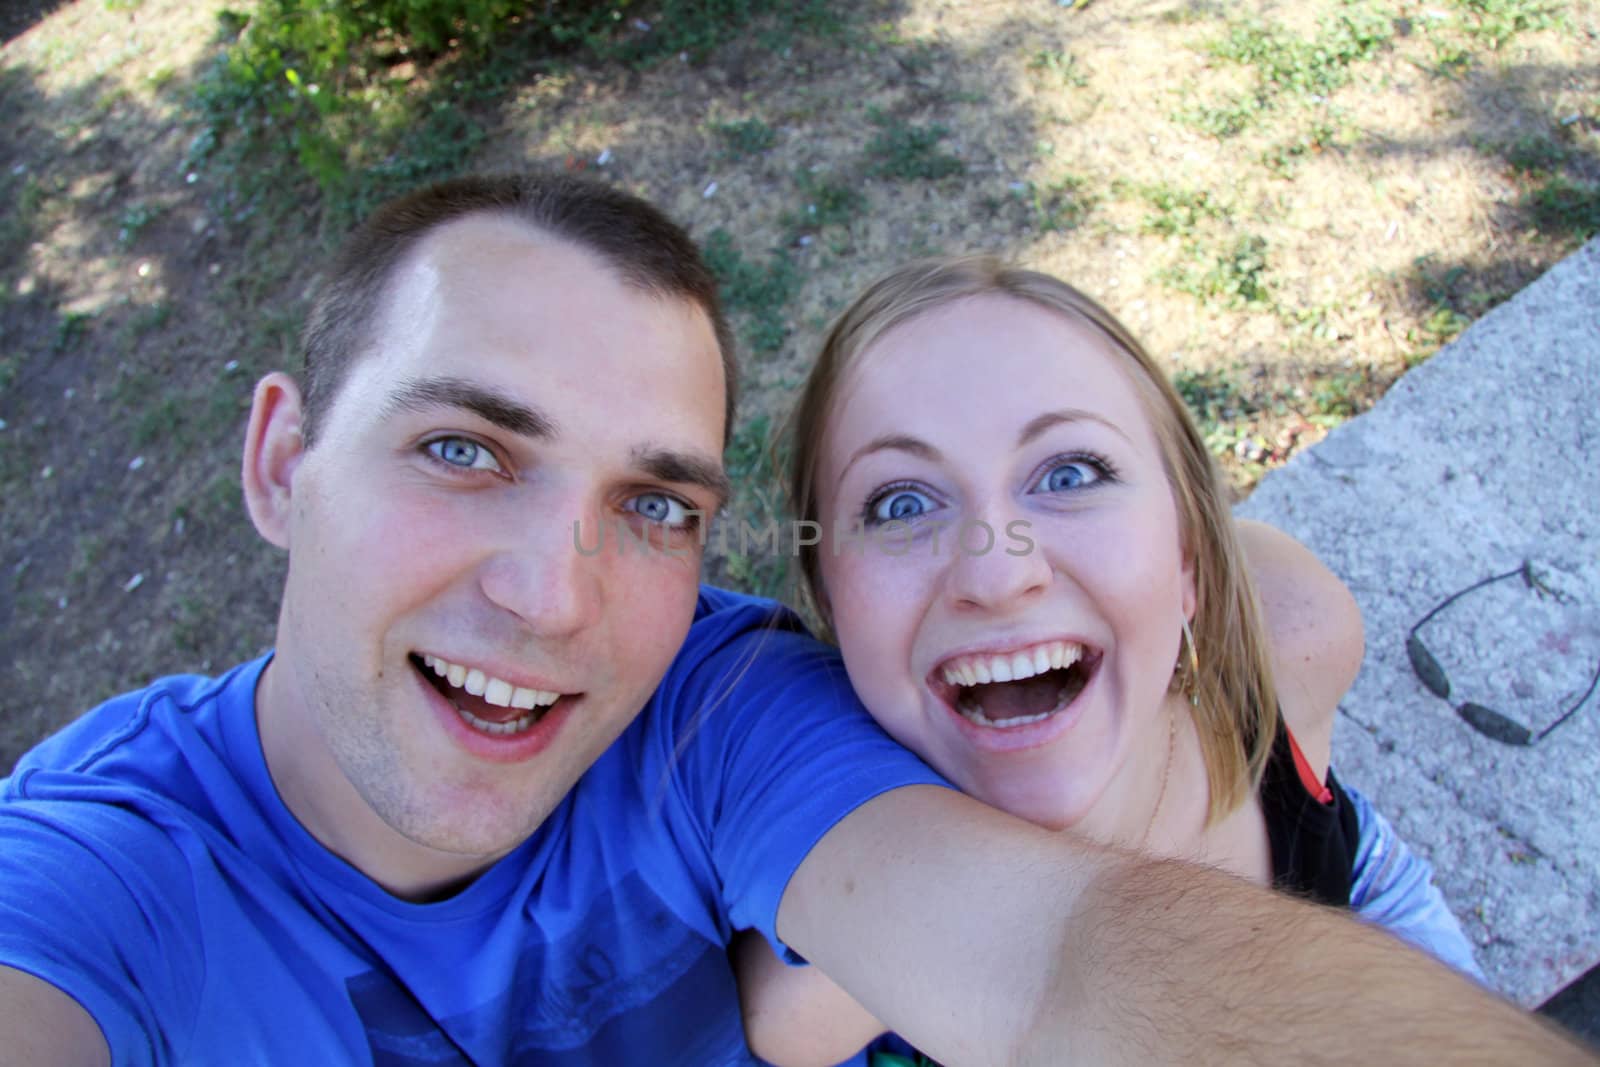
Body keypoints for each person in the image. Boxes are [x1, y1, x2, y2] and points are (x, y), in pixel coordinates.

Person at [0, 175, 1588, 1067]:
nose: (553, 595)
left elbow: (1050, 961)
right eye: (462, 449)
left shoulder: (712, 707)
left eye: (656, 503)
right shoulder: (98, 879)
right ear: (283, 459)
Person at [735, 256, 1488, 1066]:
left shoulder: (1293, 639)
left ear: (1190, 553)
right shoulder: (841, 957)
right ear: (831, 601)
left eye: (1069, 473)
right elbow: (787, 1026)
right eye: (902, 503)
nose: (996, 573)